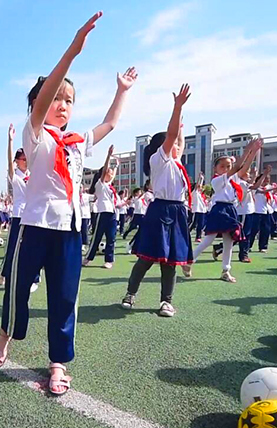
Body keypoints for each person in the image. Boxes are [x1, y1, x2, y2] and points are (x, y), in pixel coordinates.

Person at [0, 11, 136, 396]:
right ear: (39, 104)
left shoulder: (77, 142)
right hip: (34, 227)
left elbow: (109, 124)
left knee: (65, 297)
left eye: (69, 100)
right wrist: (73, 51)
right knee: (18, 291)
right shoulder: (35, 135)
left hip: (70, 229)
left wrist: (122, 90)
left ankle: (58, 362)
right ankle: (6, 335)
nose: (63, 104)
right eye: (57, 98)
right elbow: (43, 100)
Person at [124, 85, 192, 317]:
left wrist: (181, 121)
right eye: (172, 144)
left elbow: (178, 137)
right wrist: (177, 107)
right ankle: (130, 294)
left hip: (178, 212)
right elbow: (172, 135)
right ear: (162, 147)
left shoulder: (177, 162)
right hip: (160, 211)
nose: (178, 146)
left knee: (170, 262)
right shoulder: (159, 160)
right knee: (146, 259)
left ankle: (166, 301)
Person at [186, 137, 262, 283]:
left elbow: (243, 168)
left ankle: (226, 270)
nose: (226, 169)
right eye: (222, 166)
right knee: (209, 239)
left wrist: (253, 152)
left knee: (229, 241)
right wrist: (247, 150)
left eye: (228, 166)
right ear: (215, 169)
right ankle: (190, 260)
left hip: (231, 209)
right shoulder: (217, 180)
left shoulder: (234, 180)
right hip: (219, 210)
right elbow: (238, 167)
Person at [0, 124, 40, 292]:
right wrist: (10, 141)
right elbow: (9, 162)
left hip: (34, 216)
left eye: (27, 158)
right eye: (23, 158)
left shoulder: (35, 174)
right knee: (13, 247)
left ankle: (35, 279)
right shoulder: (15, 177)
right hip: (19, 216)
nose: (26, 161)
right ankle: (5, 273)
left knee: (34, 248)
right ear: (17, 161)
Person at [84, 145, 120, 269]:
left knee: (111, 238)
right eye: (109, 171)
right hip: (102, 213)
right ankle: (88, 258)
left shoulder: (109, 186)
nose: (111, 173)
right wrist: (109, 156)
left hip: (112, 213)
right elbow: (105, 170)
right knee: (97, 237)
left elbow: (113, 174)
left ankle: (109, 260)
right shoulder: (100, 184)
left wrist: (117, 166)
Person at [189, 173, 209, 242]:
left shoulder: (201, 195)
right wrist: (200, 178)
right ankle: (187, 232)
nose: (200, 187)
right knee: (193, 224)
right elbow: (197, 186)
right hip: (196, 210)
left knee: (200, 224)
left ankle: (198, 237)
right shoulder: (195, 193)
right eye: (199, 187)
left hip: (202, 211)